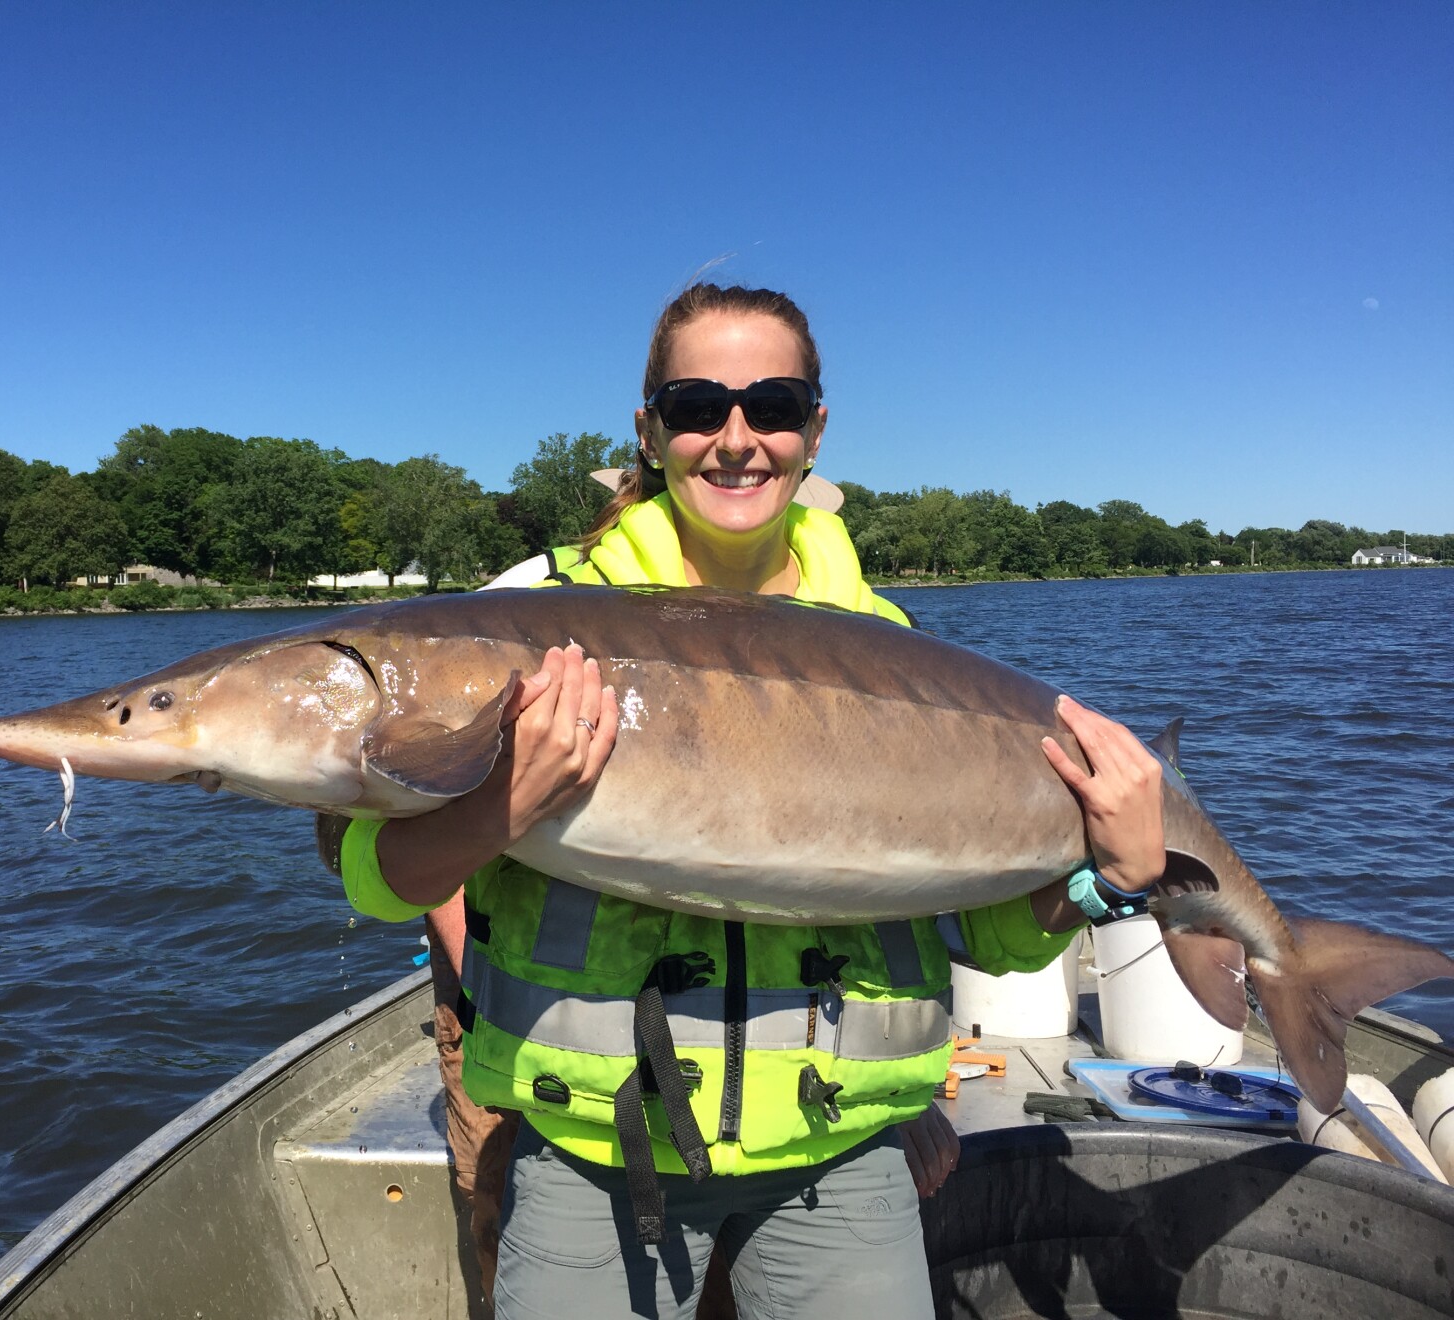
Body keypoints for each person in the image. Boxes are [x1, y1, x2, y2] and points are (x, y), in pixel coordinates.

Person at [332, 284, 1164, 1319]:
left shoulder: (897, 651)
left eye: (771, 404)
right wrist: (498, 814)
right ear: (647, 432)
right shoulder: (528, 613)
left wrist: (1113, 886)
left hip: (835, 1157)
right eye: (694, 407)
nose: (735, 438)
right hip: (591, 1148)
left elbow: (993, 936)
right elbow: (372, 872)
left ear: (813, 430)